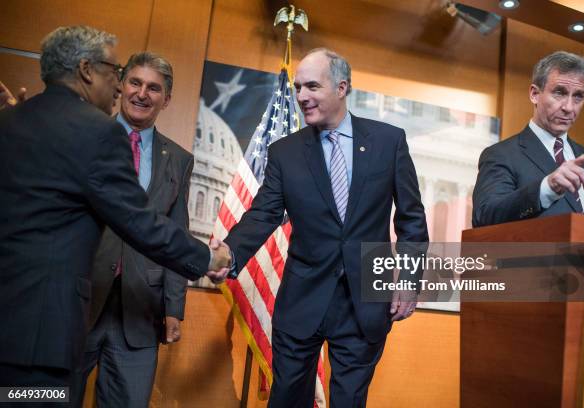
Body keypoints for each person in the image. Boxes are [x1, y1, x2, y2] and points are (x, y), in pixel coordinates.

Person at [0, 25, 229, 391]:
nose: (121, 86)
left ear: (166, 98)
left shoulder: (15, 120)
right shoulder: (96, 131)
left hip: (20, 318)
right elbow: (138, 220)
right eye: (116, 73)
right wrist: (207, 258)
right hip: (50, 327)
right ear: (88, 71)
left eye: (151, 87)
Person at [215, 48, 428, 407]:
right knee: (286, 400)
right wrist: (229, 252)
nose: (301, 97)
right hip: (302, 301)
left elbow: (411, 219)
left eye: (312, 86)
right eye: (298, 88)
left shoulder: (389, 141)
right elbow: (263, 213)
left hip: (364, 304)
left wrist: (408, 281)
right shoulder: (285, 152)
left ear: (342, 87)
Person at [70, 52, 192, 407]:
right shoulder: (86, 138)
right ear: (121, 86)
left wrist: (174, 307)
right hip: (79, 300)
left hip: (141, 309)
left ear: (166, 100)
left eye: (154, 88)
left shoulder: (179, 159)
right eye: (135, 83)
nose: (142, 93)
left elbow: (176, 234)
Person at [473, 51, 584, 227]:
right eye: (559, 93)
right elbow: (484, 216)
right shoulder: (501, 155)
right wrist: (547, 187)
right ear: (534, 94)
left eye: (578, 96)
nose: (569, 107)